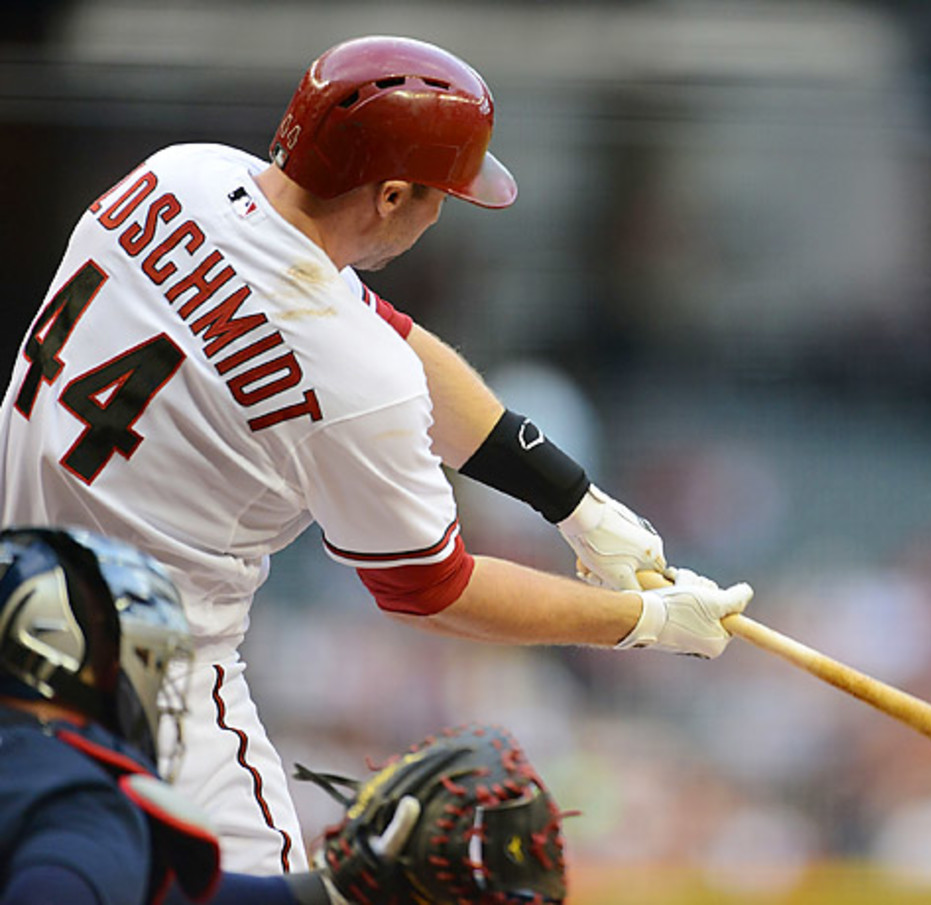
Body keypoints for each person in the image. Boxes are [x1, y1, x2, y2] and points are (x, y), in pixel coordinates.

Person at [0, 34, 754, 874]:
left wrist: (573, 502)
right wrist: (641, 622)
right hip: (148, 679)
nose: (442, 213)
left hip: (13, 599)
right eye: (439, 195)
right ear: (390, 192)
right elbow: (432, 590)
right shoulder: (356, 375)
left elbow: (372, 329)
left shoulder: (184, 173)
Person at [0, 525, 568, 905]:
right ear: (57, 649)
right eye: (137, 656)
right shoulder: (77, 797)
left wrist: (331, 889)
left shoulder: (34, 778)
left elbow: (151, 891)